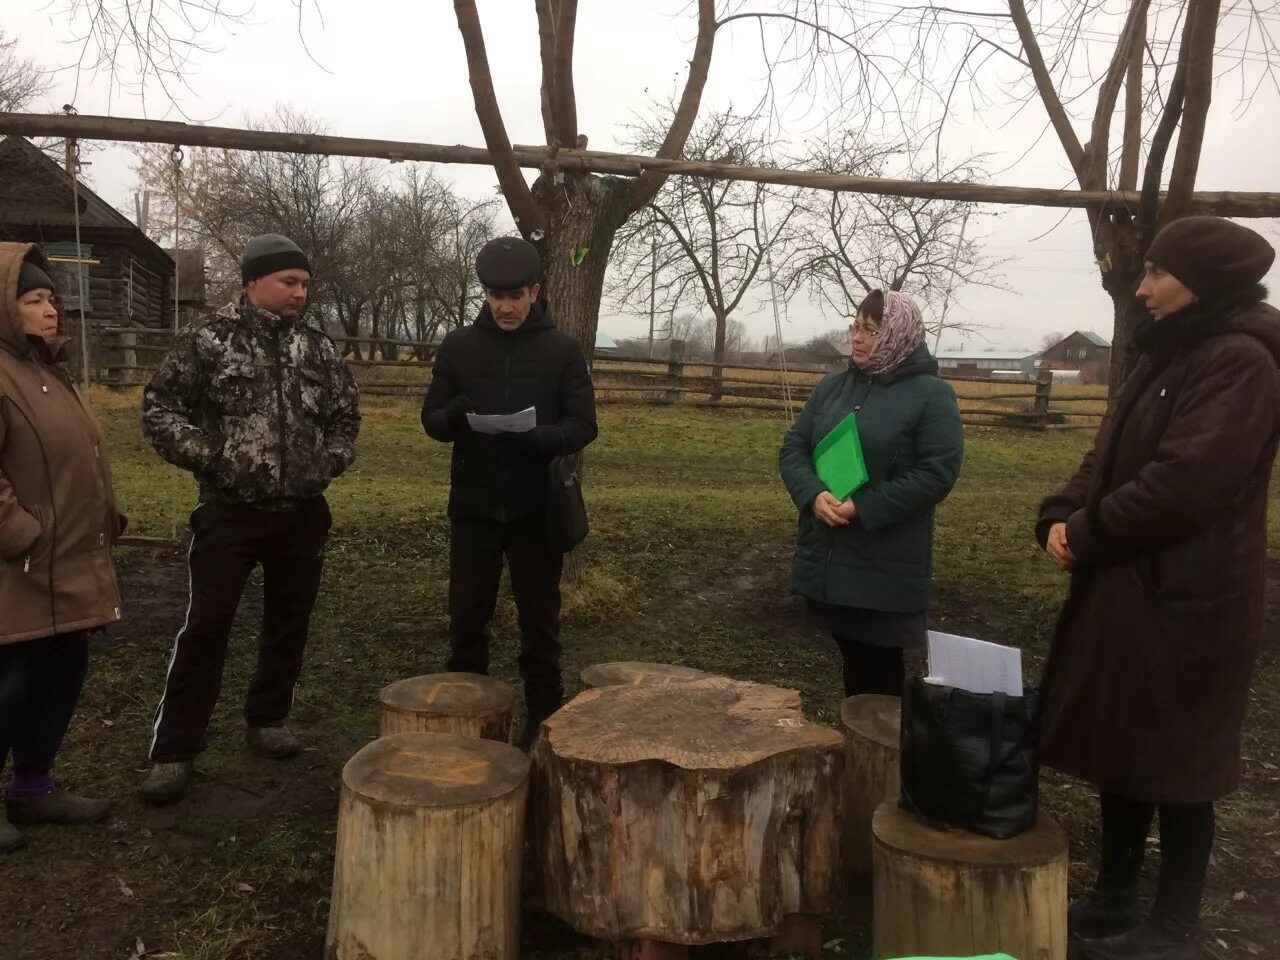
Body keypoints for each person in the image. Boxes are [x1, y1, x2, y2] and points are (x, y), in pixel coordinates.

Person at [1036, 217, 1278, 960]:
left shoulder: (1241, 363)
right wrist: (1060, 513)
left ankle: (1172, 926)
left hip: (1191, 600)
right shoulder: (1166, 353)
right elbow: (1106, 454)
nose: (1140, 288)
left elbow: (1185, 485)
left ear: (1199, 280)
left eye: (1156, 274)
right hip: (1133, 590)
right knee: (1126, 744)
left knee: (1182, 764)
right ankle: (1113, 897)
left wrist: (1090, 531)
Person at [137, 234, 361, 804]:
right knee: (208, 625)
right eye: (289, 282)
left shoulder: (316, 347)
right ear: (253, 281)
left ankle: (268, 719)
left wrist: (330, 461)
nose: (299, 294)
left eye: (305, 284)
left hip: (302, 513)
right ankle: (174, 750)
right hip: (229, 514)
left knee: (290, 621)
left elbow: (345, 416)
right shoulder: (209, 338)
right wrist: (210, 456)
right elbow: (160, 408)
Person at [421, 236, 597, 746]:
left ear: (535, 291)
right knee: (466, 619)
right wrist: (455, 417)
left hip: (535, 510)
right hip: (474, 508)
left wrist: (541, 439)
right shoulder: (458, 347)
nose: (504, 307)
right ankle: (465, 723)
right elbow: (432, 420)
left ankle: (544, 725)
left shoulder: (562, 350)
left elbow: (584, 425)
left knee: (540, 623)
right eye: (495, 297)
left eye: (515, 296)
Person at [0, 243, 124, 852]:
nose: (51, 311)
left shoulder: (48, 370)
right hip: (16, 567)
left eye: (51, 298)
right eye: (33, 299)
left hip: (69, 559)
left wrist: (108, 511)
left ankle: (33, 788)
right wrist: (18, 531)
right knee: (7, 681)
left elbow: (82, 456)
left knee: (59, 675)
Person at [779, 289, 963, 697]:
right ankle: (864, 751)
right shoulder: (832, 387)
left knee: (878, 672)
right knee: (855, 663)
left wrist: (863, 506)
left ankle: (886, 755)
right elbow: (794, 448)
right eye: (856, 327)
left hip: (885, 562)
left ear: (899, 334)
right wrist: (812, 494)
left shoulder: (932, 396)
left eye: (871, 330)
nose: (857, 338)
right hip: (831, 553)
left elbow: (937, 473)